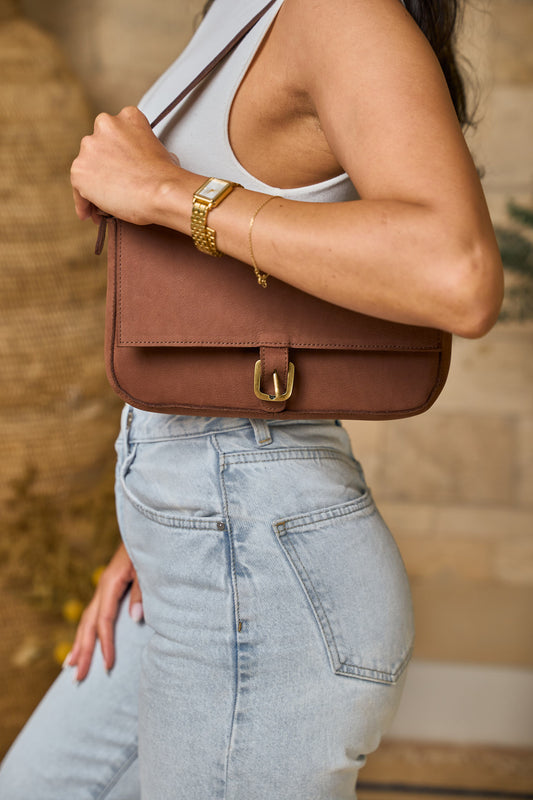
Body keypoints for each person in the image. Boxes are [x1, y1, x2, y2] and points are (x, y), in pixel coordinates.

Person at [0, 0, 503, 797]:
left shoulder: (339, 12)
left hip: (256, 559)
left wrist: (171, 194)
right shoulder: (245, 8)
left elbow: (458, 273)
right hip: (206, 535)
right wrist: (163, 519)